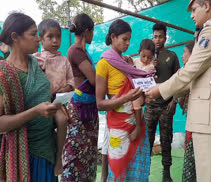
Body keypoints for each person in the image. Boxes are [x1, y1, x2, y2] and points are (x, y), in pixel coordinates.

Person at [146, 0, 211, 182]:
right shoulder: (208, 32)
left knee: (208, 177)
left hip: (210, 118)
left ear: (206, 5)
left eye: (194, 9)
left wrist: (159, 90)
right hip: (206, 118)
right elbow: (194, 76)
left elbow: (189, 71)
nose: (191, 15)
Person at [0, 12, 61, 182]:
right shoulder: (4, 74)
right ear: (15, 37)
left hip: (48, 146)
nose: (38, 39)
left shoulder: (36, 64)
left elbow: (41, 96)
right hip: (24, 154)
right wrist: (36, 111)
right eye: (33, 34)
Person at [96, 19, 151, 181]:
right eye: (124, 39)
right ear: (113, 37)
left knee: (136, 170)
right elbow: (100, 103)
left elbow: (137, 90)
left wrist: (146, 93)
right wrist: (127, 97)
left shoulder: (127, 63)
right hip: (119, 127)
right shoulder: (103, 64)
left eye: (129, 39)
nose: (127, 43)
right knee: (119, 169)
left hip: (137, 122)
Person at [33, 19, 75, 176]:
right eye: (50, 37)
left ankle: (59, 159)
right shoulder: (36, 58)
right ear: (41, 39)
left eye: (58, 36)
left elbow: (71, 82)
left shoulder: (64, 61)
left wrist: (66, 88)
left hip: (57, 103)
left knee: (63, 120)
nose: (55, 40)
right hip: (40, 102)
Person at [61, 13, 98, 182]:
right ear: (87, 31)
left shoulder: (82, 51)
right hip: (79, 110)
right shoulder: (76, 51)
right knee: (76, 152)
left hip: (88, 108)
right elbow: (94, 79)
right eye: (93, 31)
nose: (93, 35)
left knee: (88, 152)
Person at [145, 23, 180, 182]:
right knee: (147, 141)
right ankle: (145, 173)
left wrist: (175, 101)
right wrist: (149, 65)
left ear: (166, 37)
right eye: (155, 36)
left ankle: (166, 174)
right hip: (150, 107)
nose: (157, 40)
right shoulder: (147, 56)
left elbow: (179, 80)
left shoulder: (172, 56)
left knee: (166, 140)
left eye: (160, 36)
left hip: (166, 106)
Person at [179, 42, 197, 182]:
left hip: (196, 123)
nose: (182, 55)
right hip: (191, 121)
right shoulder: (185, 71)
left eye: (185, 52)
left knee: (192, 160)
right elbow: (181, 102)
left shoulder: (192, 74)